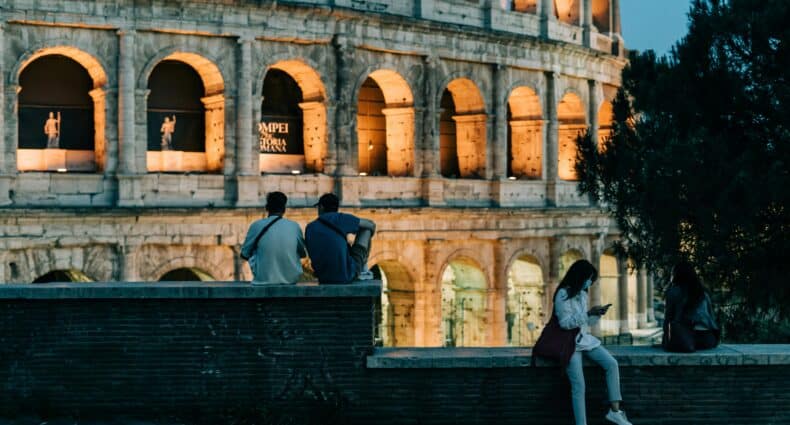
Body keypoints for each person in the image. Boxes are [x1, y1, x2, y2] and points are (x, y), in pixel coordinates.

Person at [554, 259, 632, 425]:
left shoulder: (582, 294)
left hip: (584, 340)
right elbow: (565, 323)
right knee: (579, 386)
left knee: (611, 364)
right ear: (579, 276)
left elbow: (585, 323)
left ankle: (615, 411)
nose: (590, 282)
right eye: (588, 278)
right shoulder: (562, 294)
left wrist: (596, 314)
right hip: (569, 343)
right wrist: (588, 313)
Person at [305, 193, 376, 284]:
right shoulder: (341, 218)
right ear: (336, 208)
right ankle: (362, 269)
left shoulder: (310, 227)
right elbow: (371, 224)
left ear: (321, 207)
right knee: (366, 230)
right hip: (345, 275)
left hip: (323, 277)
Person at [240, 191, 305, 285]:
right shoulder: (294, 226)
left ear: (267, 208)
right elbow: (302, 254)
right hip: (291, 280)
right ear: (284, 209)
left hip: (263, 280)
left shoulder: (256, 226)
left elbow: (244, 254)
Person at [662, 261, 720, 350]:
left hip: (685, 338)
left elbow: (668, 319)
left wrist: (665, 342)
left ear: (676, 275)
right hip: (708, 339)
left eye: (672, 273)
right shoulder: (702, 292)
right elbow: (711, 318)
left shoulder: (674, 291)